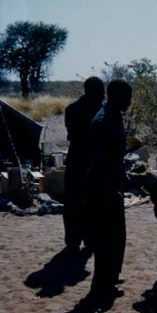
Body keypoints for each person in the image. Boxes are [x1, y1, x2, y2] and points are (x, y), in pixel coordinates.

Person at [84, 79, 132, 307]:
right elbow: (102, 159)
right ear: (116, 96)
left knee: (115, 237)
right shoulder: (104, 121)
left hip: (110, 183)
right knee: (107, 238)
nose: (130, 102)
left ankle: (109, 279)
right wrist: (113, 184)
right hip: (103, 186)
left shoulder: (112, 115)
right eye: (128, 96)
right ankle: (102, 285)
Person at [63, 76, 105, 255]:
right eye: (101, 91)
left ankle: (73, 241)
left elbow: (71, 134)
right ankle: (87, 240)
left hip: (75, 161)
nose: (103, 94)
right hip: (89, 162)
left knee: (73, 203)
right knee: (89, 203)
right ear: (94, 91)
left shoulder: (71, 109)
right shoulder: (100, 112)